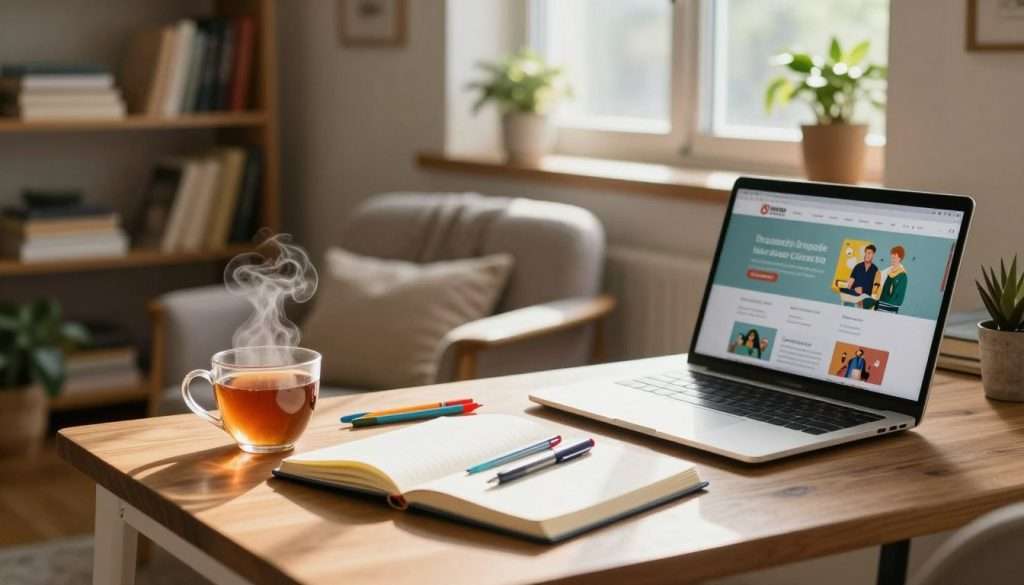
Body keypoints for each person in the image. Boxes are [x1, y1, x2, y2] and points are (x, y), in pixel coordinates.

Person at [876, 245, 909, 313]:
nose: (893, 260)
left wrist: (890, 304)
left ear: (900, 258)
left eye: (895, 258)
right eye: (892, 257)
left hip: (891, 308)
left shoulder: (902, 276)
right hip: (880, 304)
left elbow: (899, 296)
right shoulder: (887, 271)